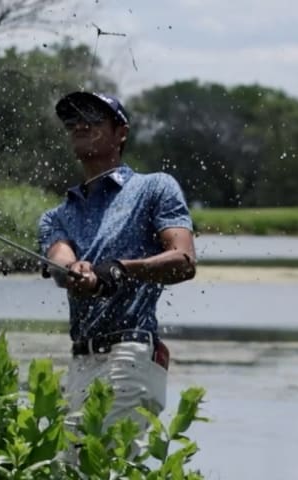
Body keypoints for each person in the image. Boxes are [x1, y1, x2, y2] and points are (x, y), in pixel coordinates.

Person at [37, 91, 197, 457]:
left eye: (92, 117)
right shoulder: (55, 216)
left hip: (131, 354)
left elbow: (184, 260)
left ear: (120, 132)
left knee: (101, 464)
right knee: (68, 467)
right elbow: (61, 260)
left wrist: (121, 269)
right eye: (72, 119)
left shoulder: (154, 187)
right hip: (81, 361)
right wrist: (75, 270)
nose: (80, 124)